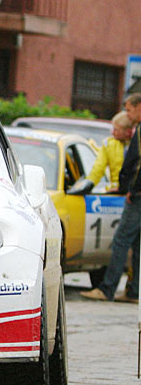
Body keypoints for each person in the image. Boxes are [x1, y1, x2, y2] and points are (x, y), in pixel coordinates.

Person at [81, 93, 141, 304]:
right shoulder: (111, 144)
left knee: (121, 241)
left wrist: (131, 190)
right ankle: (133, 291)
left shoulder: (139, 132)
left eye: (130, 109)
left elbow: (135, 164)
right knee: (136, 244)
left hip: (135, 196)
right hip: (132, 193)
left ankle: (107, 288)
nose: (128, 113)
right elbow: (98, 169)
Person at [84, 111, 135, 192]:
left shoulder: (136, 144)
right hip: (114, 192)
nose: (112, 132)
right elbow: (98, 168)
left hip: (133, 193)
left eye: (116, 129)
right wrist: (88, 184)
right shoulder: (108, 144)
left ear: (128, 132)